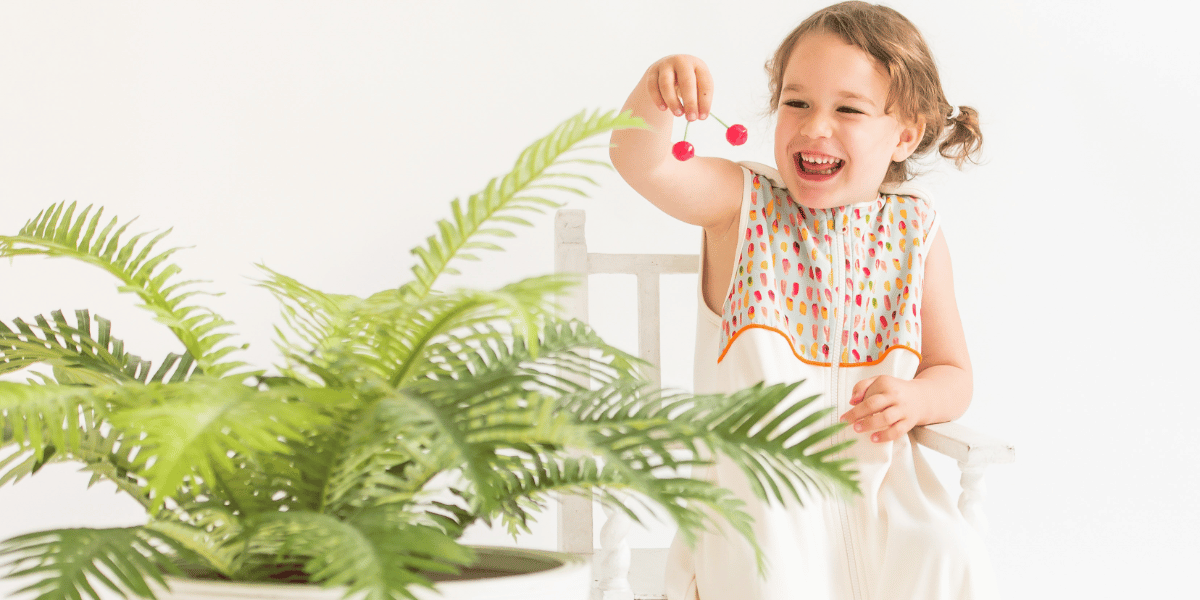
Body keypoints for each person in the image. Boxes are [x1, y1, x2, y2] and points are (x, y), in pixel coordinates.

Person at [609, 2, 999, 599]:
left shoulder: (916, 231)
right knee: (773, 568)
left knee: (946, 552)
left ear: (905, 133)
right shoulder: (742, 204)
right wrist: (657, 90)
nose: (816, 126)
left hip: (879, 487)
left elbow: (954, 374)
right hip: (761, 489)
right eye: (796, 103)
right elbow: (642, 163)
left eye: (848, 108)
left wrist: (916, 397)